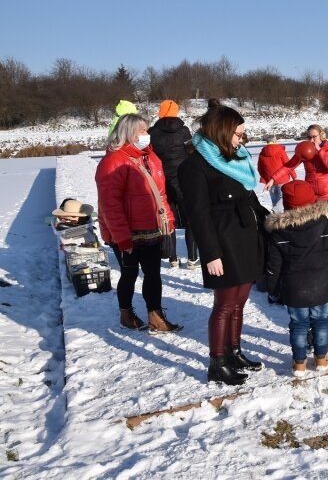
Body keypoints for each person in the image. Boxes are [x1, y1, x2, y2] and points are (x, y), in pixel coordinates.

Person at [178, 102, 270, 386]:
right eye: (238, 134)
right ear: (222, 131)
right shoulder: (193, 166)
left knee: (240, 302)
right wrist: (211, 254)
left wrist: (273, 221)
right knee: (225, 304)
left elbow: (249, 197)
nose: (242, 139)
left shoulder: (235, 157)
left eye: (243, 134)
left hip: (245, 237)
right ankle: (217, 362)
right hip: (223, 242)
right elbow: (198, 215)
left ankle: (234, 352)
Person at [95, 113, 182, 333]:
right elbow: (109, 205)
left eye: (146, 130)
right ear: (129, 133)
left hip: (151, 227)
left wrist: (168, 219)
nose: (147, 134)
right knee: (130, 274)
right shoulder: (113, 161)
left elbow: (160, 193)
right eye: (142, 131)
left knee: (153, 273)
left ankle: (156, 315)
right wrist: (122, 237)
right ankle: (126, 312)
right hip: (126, 231)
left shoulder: (151, 157)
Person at [265, 180, 328, 376]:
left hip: (294, 290)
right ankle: (321, 359)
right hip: (320, 287)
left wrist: (272, 290)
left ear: (288, 204)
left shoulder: (279, 232)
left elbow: (273, 267)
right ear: (311, 201)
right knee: (321, 321)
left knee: (298, 325)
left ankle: (299, 363)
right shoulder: (325, 225)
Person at [148, 99, 199, 269]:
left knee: (167, 218)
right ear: (176, 112)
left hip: (161, 180)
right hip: (183, 179)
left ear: (160, 112)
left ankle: (173, 258)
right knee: (191, 218)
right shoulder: (184, 131)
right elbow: (192, 153)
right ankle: (192, 258)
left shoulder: (152, 133)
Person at [264, 124, 328, 215]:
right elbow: (289, 166)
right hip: (311, 194)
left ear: (322, 135)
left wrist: (320, 151)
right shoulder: (305, 150)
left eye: (314, 137)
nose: (311, 140)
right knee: (313, 225)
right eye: (309, 137)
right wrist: (273, 179)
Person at [258, 139, 296, 210]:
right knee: (282, 199)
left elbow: (260, 168)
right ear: (275, 142)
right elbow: (288, 164)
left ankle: (276, 215)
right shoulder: (280, 151)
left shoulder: (262, 153)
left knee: (274, 200)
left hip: (270, 181)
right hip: (282, 179)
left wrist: (264, 179)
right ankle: (276, 212)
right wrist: (294, 176)